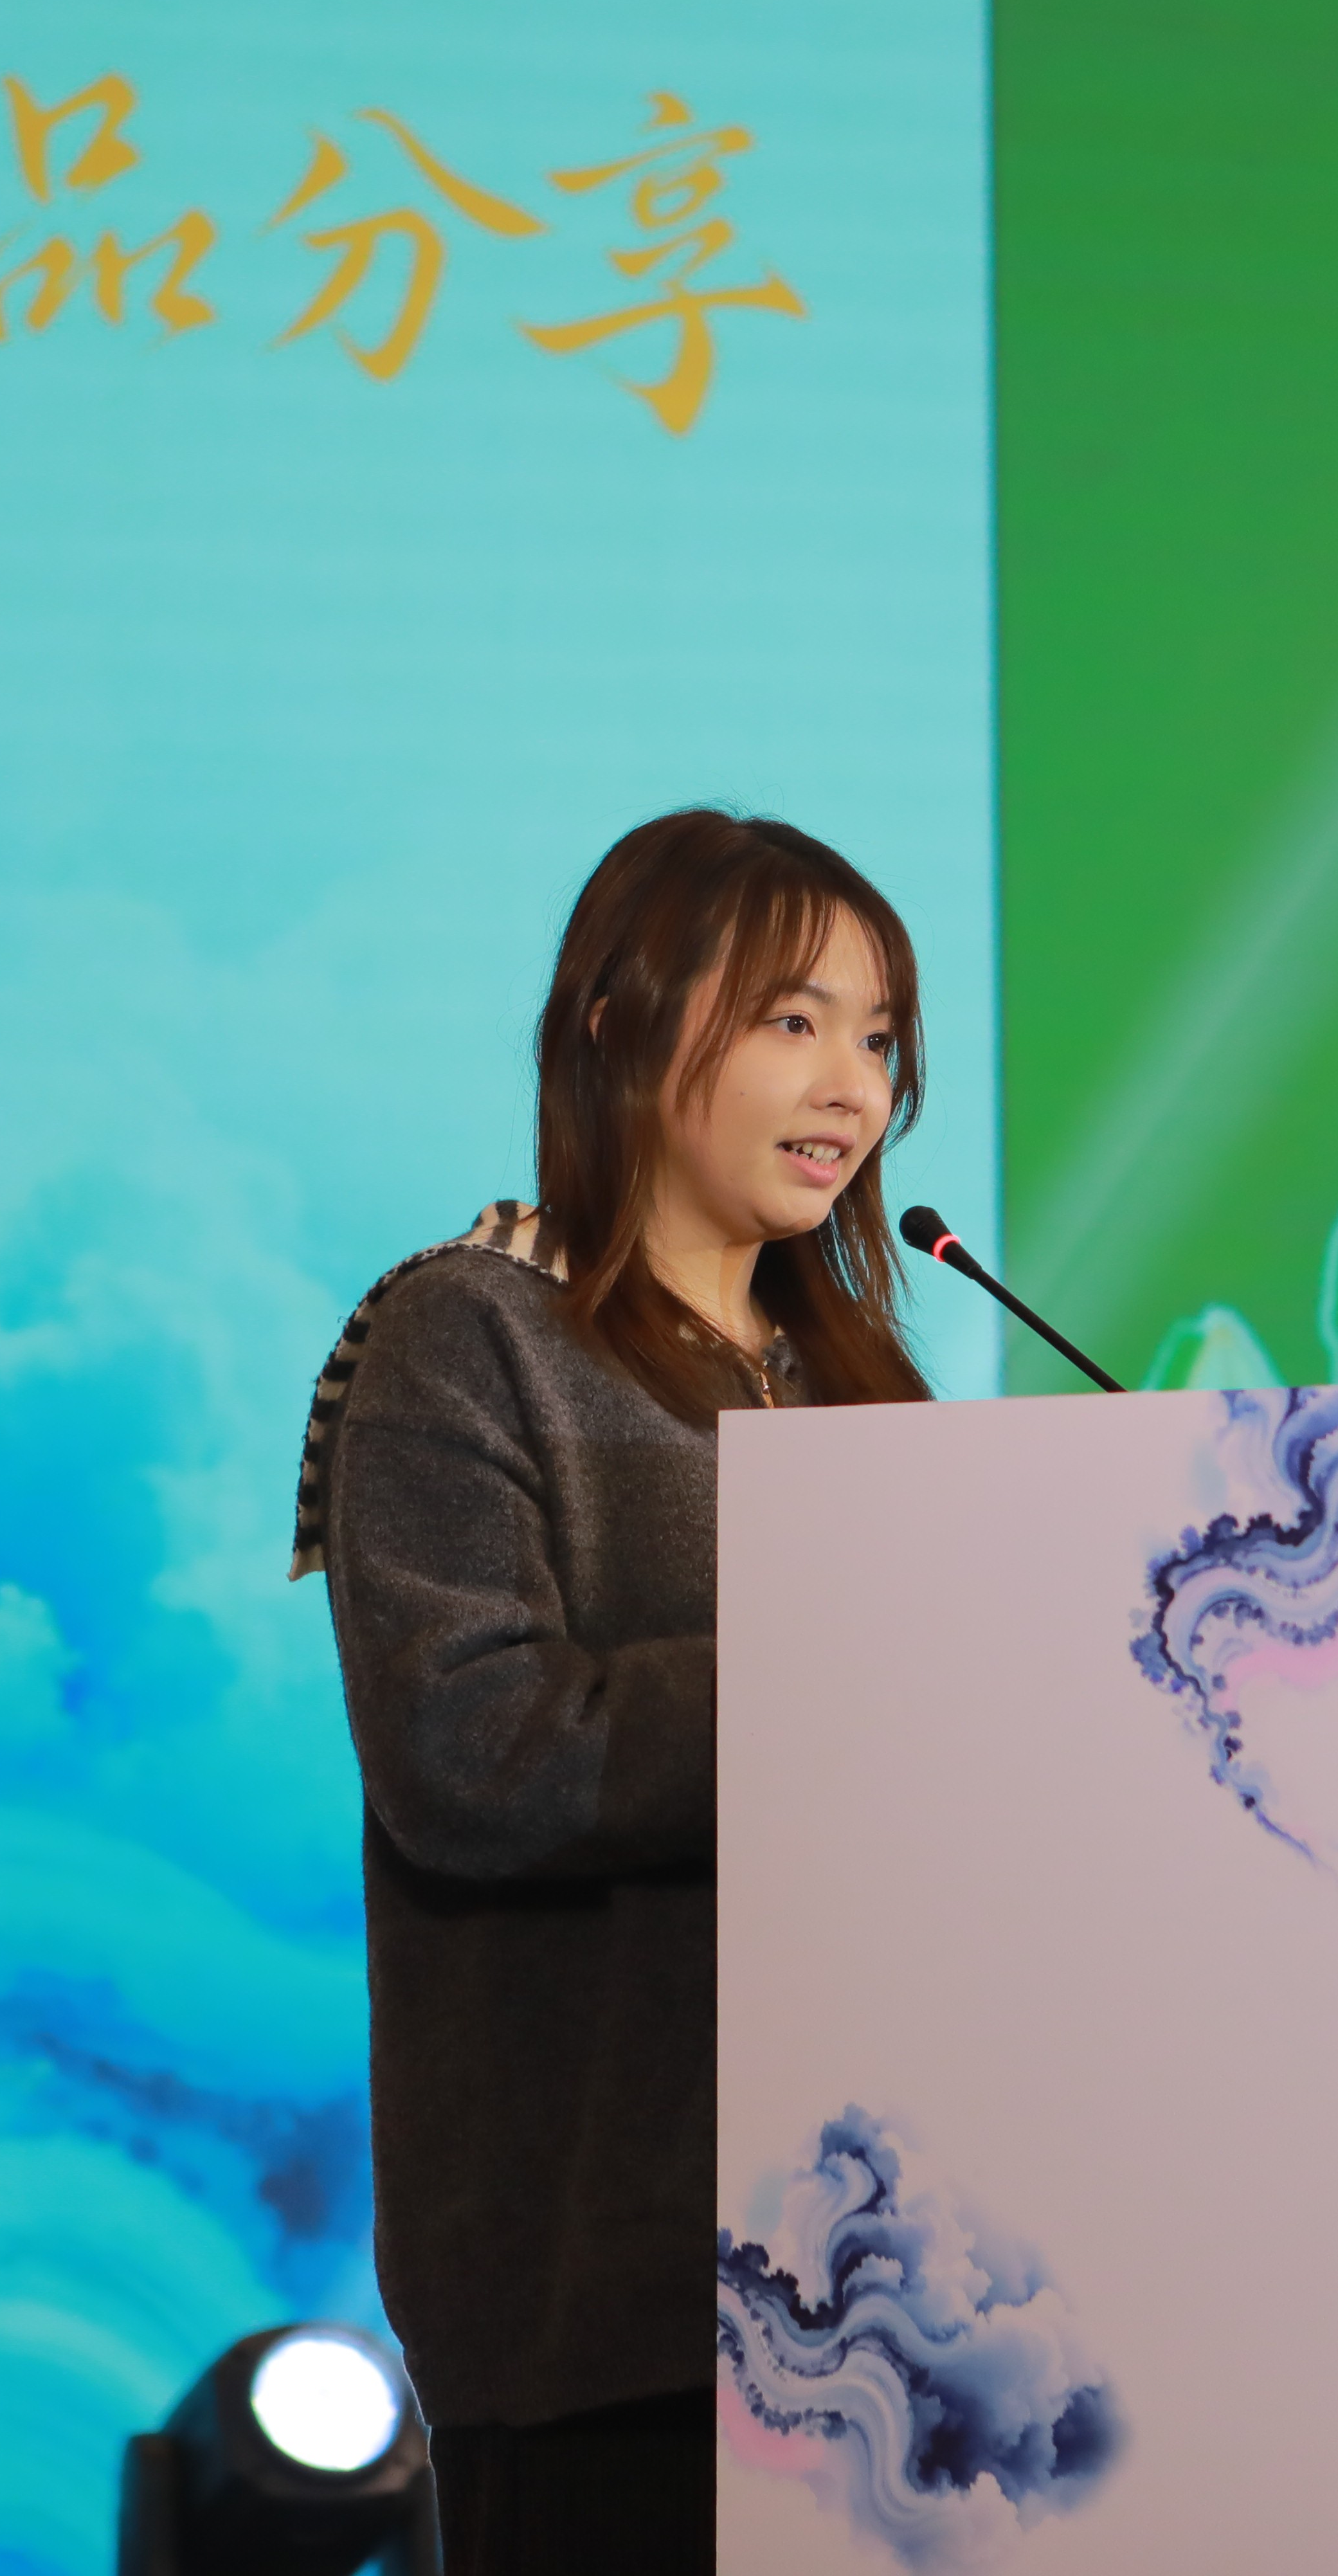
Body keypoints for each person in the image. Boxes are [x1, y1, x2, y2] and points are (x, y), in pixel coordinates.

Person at [290, 808, 935, 2572]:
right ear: (618, 1021)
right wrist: (852, 1692)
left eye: (880, 1040)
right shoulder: (469, 1334)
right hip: (615, 2300)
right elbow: (473, 1751)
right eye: (793, 1020)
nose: (852, 1086)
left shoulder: (868, 1388)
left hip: (896, 2288)